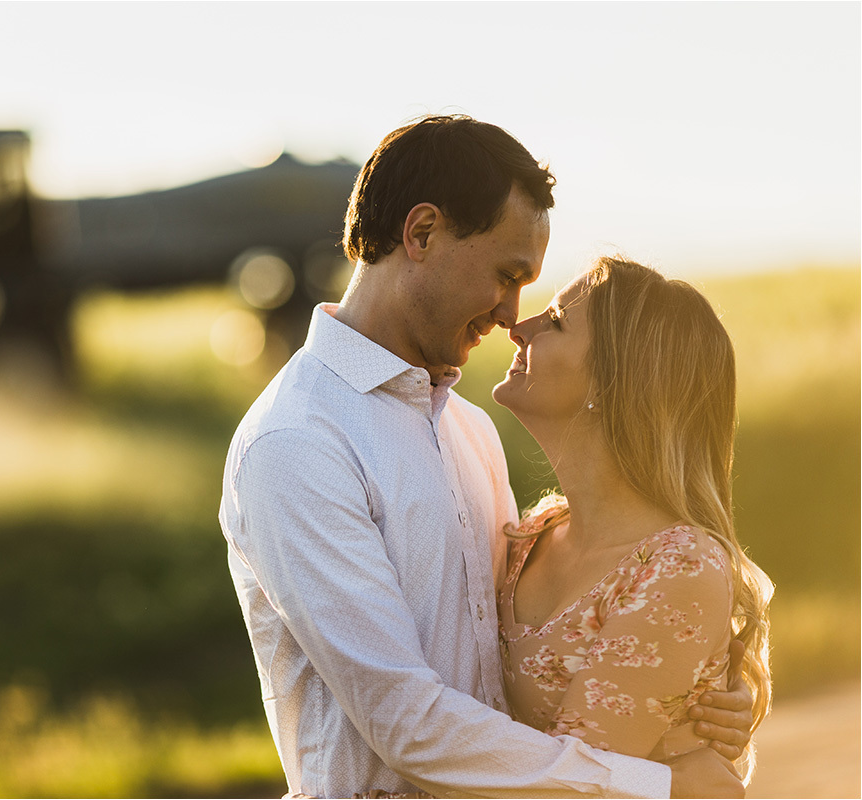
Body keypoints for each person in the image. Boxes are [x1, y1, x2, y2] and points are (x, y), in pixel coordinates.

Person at [218, 115, 752, 798]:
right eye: (506, 274)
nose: (511, 314)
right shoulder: (299, 443)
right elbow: (406, 723)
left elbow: (525, 661)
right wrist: (656, 786)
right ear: (422, 233)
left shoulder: (470, 430)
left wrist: (691, 701)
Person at [491, 258, 772, 779]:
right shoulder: (532, 534)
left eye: (554, 321)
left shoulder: (679, 567)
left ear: (613, 378)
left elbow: (567, 788)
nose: (517, 326)